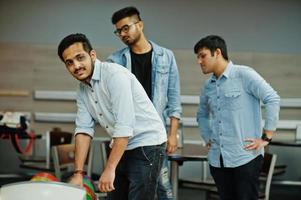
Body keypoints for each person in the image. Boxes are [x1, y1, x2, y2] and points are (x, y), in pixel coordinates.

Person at [57, 33, 167, 200]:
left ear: (92, 55)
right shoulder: (82, 90)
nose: (76, 66)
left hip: (148, 144)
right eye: (69, 63)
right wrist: (79, 173)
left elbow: (124, 126)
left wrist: (109, 169)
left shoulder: (115, 76)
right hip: (122, 144)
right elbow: (83, 130)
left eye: (80, 58)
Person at [107, 7, 182, 199]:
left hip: (155, 135)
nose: (122, 34)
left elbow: (174, 99)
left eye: (126, 28)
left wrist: (172, 135)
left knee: (163, 188)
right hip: (127, 136)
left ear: (140, 25)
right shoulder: (115, 60)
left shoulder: (166, 56)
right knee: (130, 188)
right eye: (118, 31)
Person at [194, 35, 280, 200]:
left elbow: (273, 98)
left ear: (217, 52)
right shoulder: (208, 86)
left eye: (202, 55)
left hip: (245, 158)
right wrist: (207, 136)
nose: (199, 61)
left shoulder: (244, 75)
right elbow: (202, 114)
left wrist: (266, 137)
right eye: (197, 57)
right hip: (217, 160)